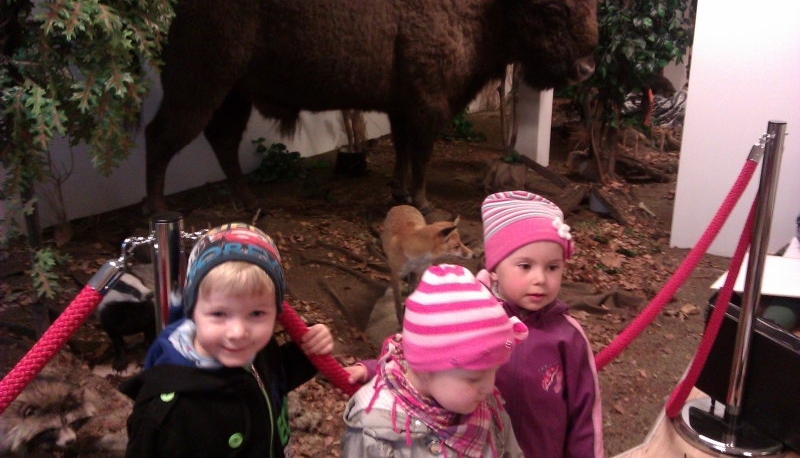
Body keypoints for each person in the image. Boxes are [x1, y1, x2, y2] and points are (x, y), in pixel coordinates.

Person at [120, 223, 333, 458]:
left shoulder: (256, 350)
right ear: (193, 312)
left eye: (256, 313)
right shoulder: (167, 412)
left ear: (276, 313)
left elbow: (274, 379)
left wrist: (307, 350)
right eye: (219, 314)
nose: (238, 332)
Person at [341, 263, 528, 458]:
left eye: (494, 370)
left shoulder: (489, 409)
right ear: (426, 369)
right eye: (473, 378)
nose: (489, 387)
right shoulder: (375, 434)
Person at [479, 191, 603, 458]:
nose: (540, 279)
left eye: (552, 267)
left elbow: (584, 416)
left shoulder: (567, 337)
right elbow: (428, 372)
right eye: (525, 266)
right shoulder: (472, 319)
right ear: (494, 269)